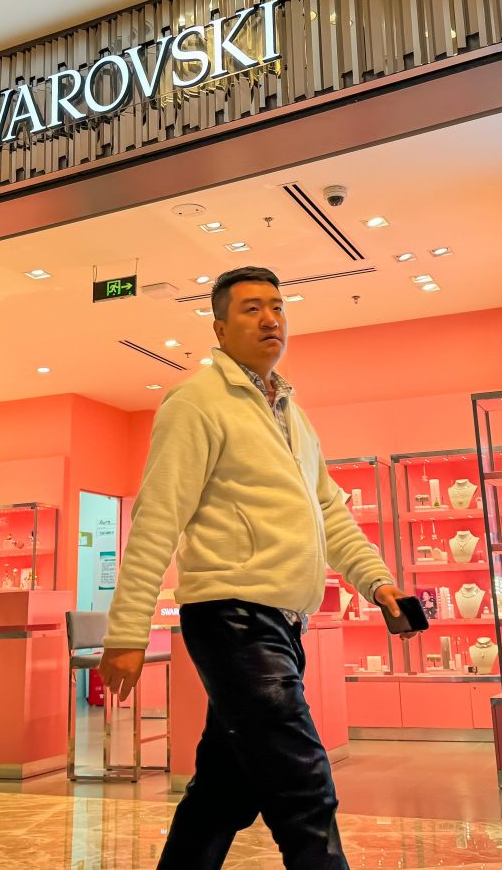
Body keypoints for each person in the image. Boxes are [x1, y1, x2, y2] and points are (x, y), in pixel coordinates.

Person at [99, 266, 414, 870]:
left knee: (225, 790)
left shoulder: (292, 413)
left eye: (276, 306)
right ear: (218, 327)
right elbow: (156, 521)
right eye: (249, 309)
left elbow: (330, 511)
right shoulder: (195, 404)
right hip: (232, 619)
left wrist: (377, 581)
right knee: (304, 786)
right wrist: (126, 635)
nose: (270, 318)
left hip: (282, 623)